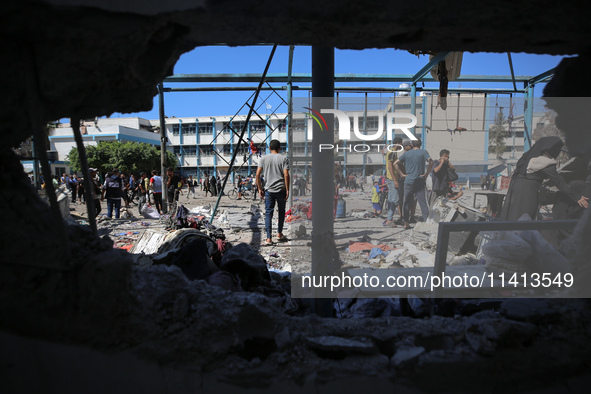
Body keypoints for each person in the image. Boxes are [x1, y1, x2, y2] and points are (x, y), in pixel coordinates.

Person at [500, 136, 588, 221]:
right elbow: (559, 182)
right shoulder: (545, 162)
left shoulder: (528, 157)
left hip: (516, 187)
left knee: (513, 214)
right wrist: (576, 197)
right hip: (528, 191)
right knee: (525, 216)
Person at [256, 139, 290, 245]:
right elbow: (286, 175)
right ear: (279, 148)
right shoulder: (283, 158)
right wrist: (288, 189)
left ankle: (268, 238)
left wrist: (259, 188)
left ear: (269, 148)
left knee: (268, 213)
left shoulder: (263, 159)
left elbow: (257, 175)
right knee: (281, 212)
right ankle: (279, 233)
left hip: (269, 190)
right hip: (281, 189)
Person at [395, 138, 434, 230]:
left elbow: (395, 163)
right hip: (419, 180)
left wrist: (401, 174)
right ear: (420, 144)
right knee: (423, 202)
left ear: (412, 145)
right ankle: (426, 222)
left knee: (406, 202)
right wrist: (426, 174)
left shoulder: (407, 154)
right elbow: (431, 161)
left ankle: (406, 223)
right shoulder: (424, 152)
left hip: (408, 180)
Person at [383, 138, 402, 226]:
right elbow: (390, 167)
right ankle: (389, 219)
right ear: (398, 143)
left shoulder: (392, 152)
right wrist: (395, 180)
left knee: (391, 199)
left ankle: (389, 218)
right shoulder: (392, 152)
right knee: (395, 199)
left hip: (391, 178)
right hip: (391, 178)